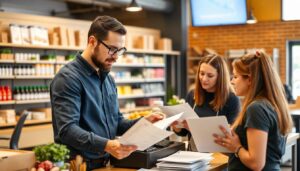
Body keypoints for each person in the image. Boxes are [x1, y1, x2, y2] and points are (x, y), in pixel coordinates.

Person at [50, 16, 162, 170]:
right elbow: (68, 130)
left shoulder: (108, 79)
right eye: (112, 49)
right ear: (92, 42)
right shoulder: (67, 78)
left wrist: (144, 122)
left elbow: (116, 123)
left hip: (107, 164)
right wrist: (107, 145)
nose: (116, 56)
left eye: (120, 50)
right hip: (80, 166)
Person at [213, 50, 293, 171]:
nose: (232, 81)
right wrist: (229, 144)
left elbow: (256, 163)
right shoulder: (268, 104)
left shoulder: (256, 108)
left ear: (250, 79)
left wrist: (237, 147)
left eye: (235, 76)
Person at [172, 54, 240, 151]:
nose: (204, 79)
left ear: (220, 77)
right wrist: (176, 126)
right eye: (202, 73)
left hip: (219, 156)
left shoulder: (232, 99)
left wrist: (194, 129)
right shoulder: (192, 95)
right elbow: (183, 133)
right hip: (193, 156)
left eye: (210, 75)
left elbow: (231, 138)